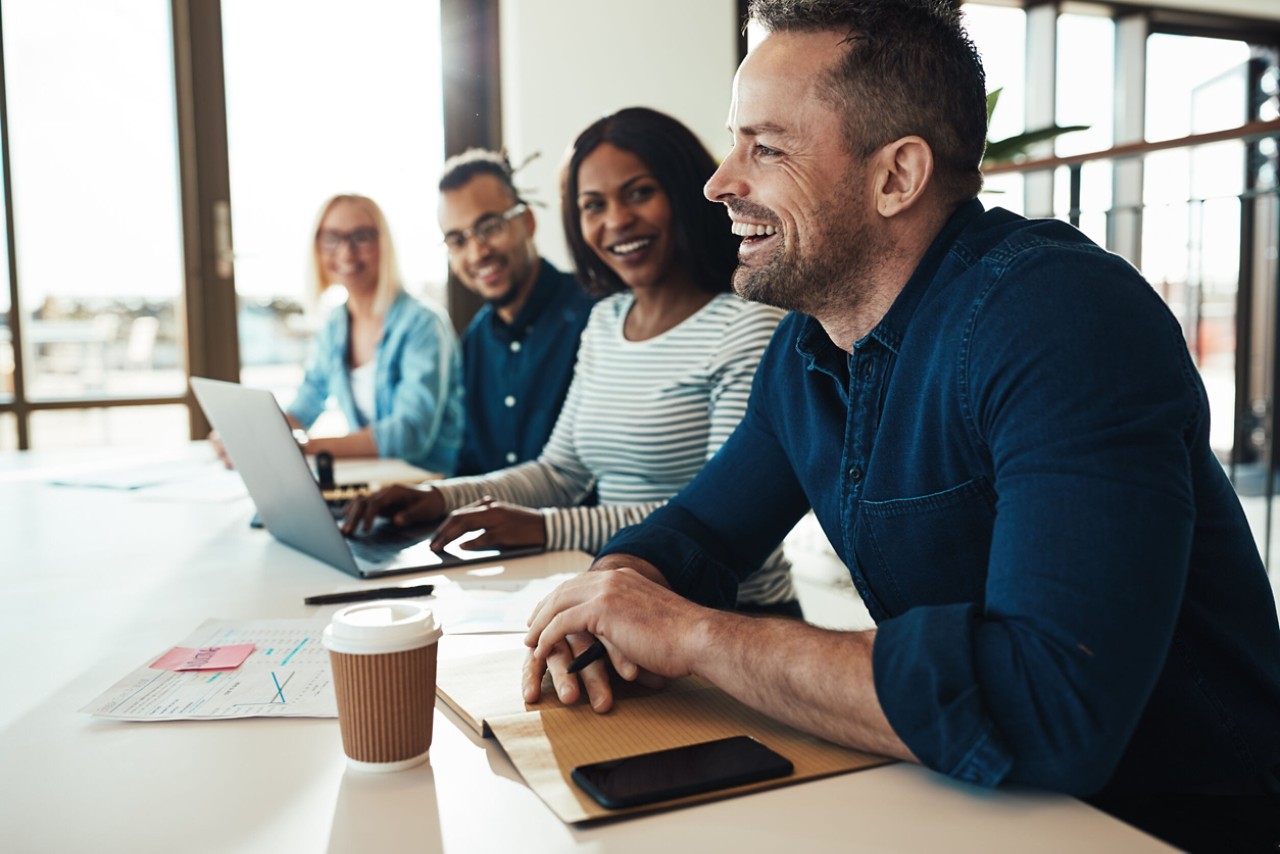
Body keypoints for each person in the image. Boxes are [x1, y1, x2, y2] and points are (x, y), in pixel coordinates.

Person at [521, 2, 1280, 849]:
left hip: (1165, 825)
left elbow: (1049, 704)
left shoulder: (1059, 318)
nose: (720, 181)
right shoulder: (808, 347)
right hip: (967, 803)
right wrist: (605, 604)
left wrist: (692, 634)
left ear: (896, 177)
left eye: (765, 148)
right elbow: (696, 533)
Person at [345, 107, 798, 616]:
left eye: (639, 193)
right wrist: (438, 497)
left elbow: (719, 514)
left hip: (729, 618)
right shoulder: (605, 321)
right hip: (621, 599)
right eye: (592, 205)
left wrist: (543, 528)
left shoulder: (746, 326)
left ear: (684, 192)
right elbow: (561, 471)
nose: (615, 221)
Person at [275, 194, 463, 474]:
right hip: (374, 481)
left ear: (383, 244)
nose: (346, 253)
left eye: (361, 237)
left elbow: (409, 434)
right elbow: (307, 401)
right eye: (332, 238)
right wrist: (257, 437)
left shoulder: (423, 323)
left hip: (428, 487)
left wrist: (303, 448)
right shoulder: (334, 325)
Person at [438, 149, 596, 476]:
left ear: (527, 222)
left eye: (490, 227)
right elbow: (470, 465)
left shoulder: (595, 316)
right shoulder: (474, 342)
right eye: (457, 241)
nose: (477, 252)